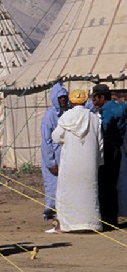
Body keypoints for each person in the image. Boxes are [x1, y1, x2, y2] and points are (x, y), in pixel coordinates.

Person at [51, 89, 103, 232]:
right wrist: (98, 160)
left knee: (68, 192)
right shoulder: (93, 118)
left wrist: (68, 139)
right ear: (86, 101)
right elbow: (100, 142)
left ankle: (68, 225)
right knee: (89, 192)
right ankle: (91, 223)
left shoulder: (66, 117)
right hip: (89, 161)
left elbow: (56, 137)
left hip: (70, 161)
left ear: (71, 101)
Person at [91, 84, 126, 229]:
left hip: (110, 150)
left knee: (106, 185)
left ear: (101, 97)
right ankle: (113, 217)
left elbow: (104, 127)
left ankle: (108, 219)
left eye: (95, 98)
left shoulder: (107, 111)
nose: (93, 101)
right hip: (120, 148)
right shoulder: (121, 106)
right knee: (114, 184)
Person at [40, 83, 69, 220]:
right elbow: (46, 141)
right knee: (53, 185)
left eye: (64, 96)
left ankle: (64, 212)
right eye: (60, 97)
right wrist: (51, 162)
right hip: (53, 155)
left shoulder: (68, 112)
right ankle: (50, 212)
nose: (63, 99)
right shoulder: (49, 116)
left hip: (65, 154)